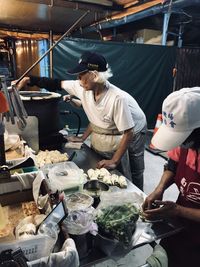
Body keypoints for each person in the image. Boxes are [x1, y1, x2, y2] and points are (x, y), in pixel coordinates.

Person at [15, 51, 147, 190]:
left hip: (135, 128)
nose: (78, 79)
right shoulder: (82, 87)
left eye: (81, 75)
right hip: (117, 125)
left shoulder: (116, 98)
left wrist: (114, 160)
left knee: (134, 168)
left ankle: (140, 196)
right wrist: (29, 80)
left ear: (95, 76)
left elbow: (128, 132)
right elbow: (56, 84)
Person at [142, 87, 200, 267]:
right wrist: (159, 189)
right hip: (182, 225)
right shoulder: (187, 143)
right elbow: (173, 165)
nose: (181, 145)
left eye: (183, 139)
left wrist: (177, 210)